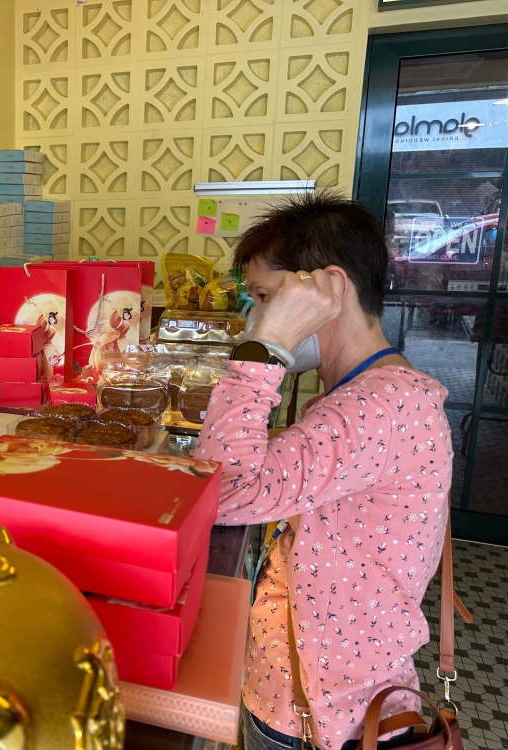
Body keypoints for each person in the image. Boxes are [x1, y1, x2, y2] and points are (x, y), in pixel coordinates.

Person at [194, 193, 452, 750]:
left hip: (316, 710)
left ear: (329, 288)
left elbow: (222, 489)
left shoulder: (380, 406)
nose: (254, 316)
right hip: (326, 691)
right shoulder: (380, 393)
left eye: (264, 298)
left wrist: (266, 348)